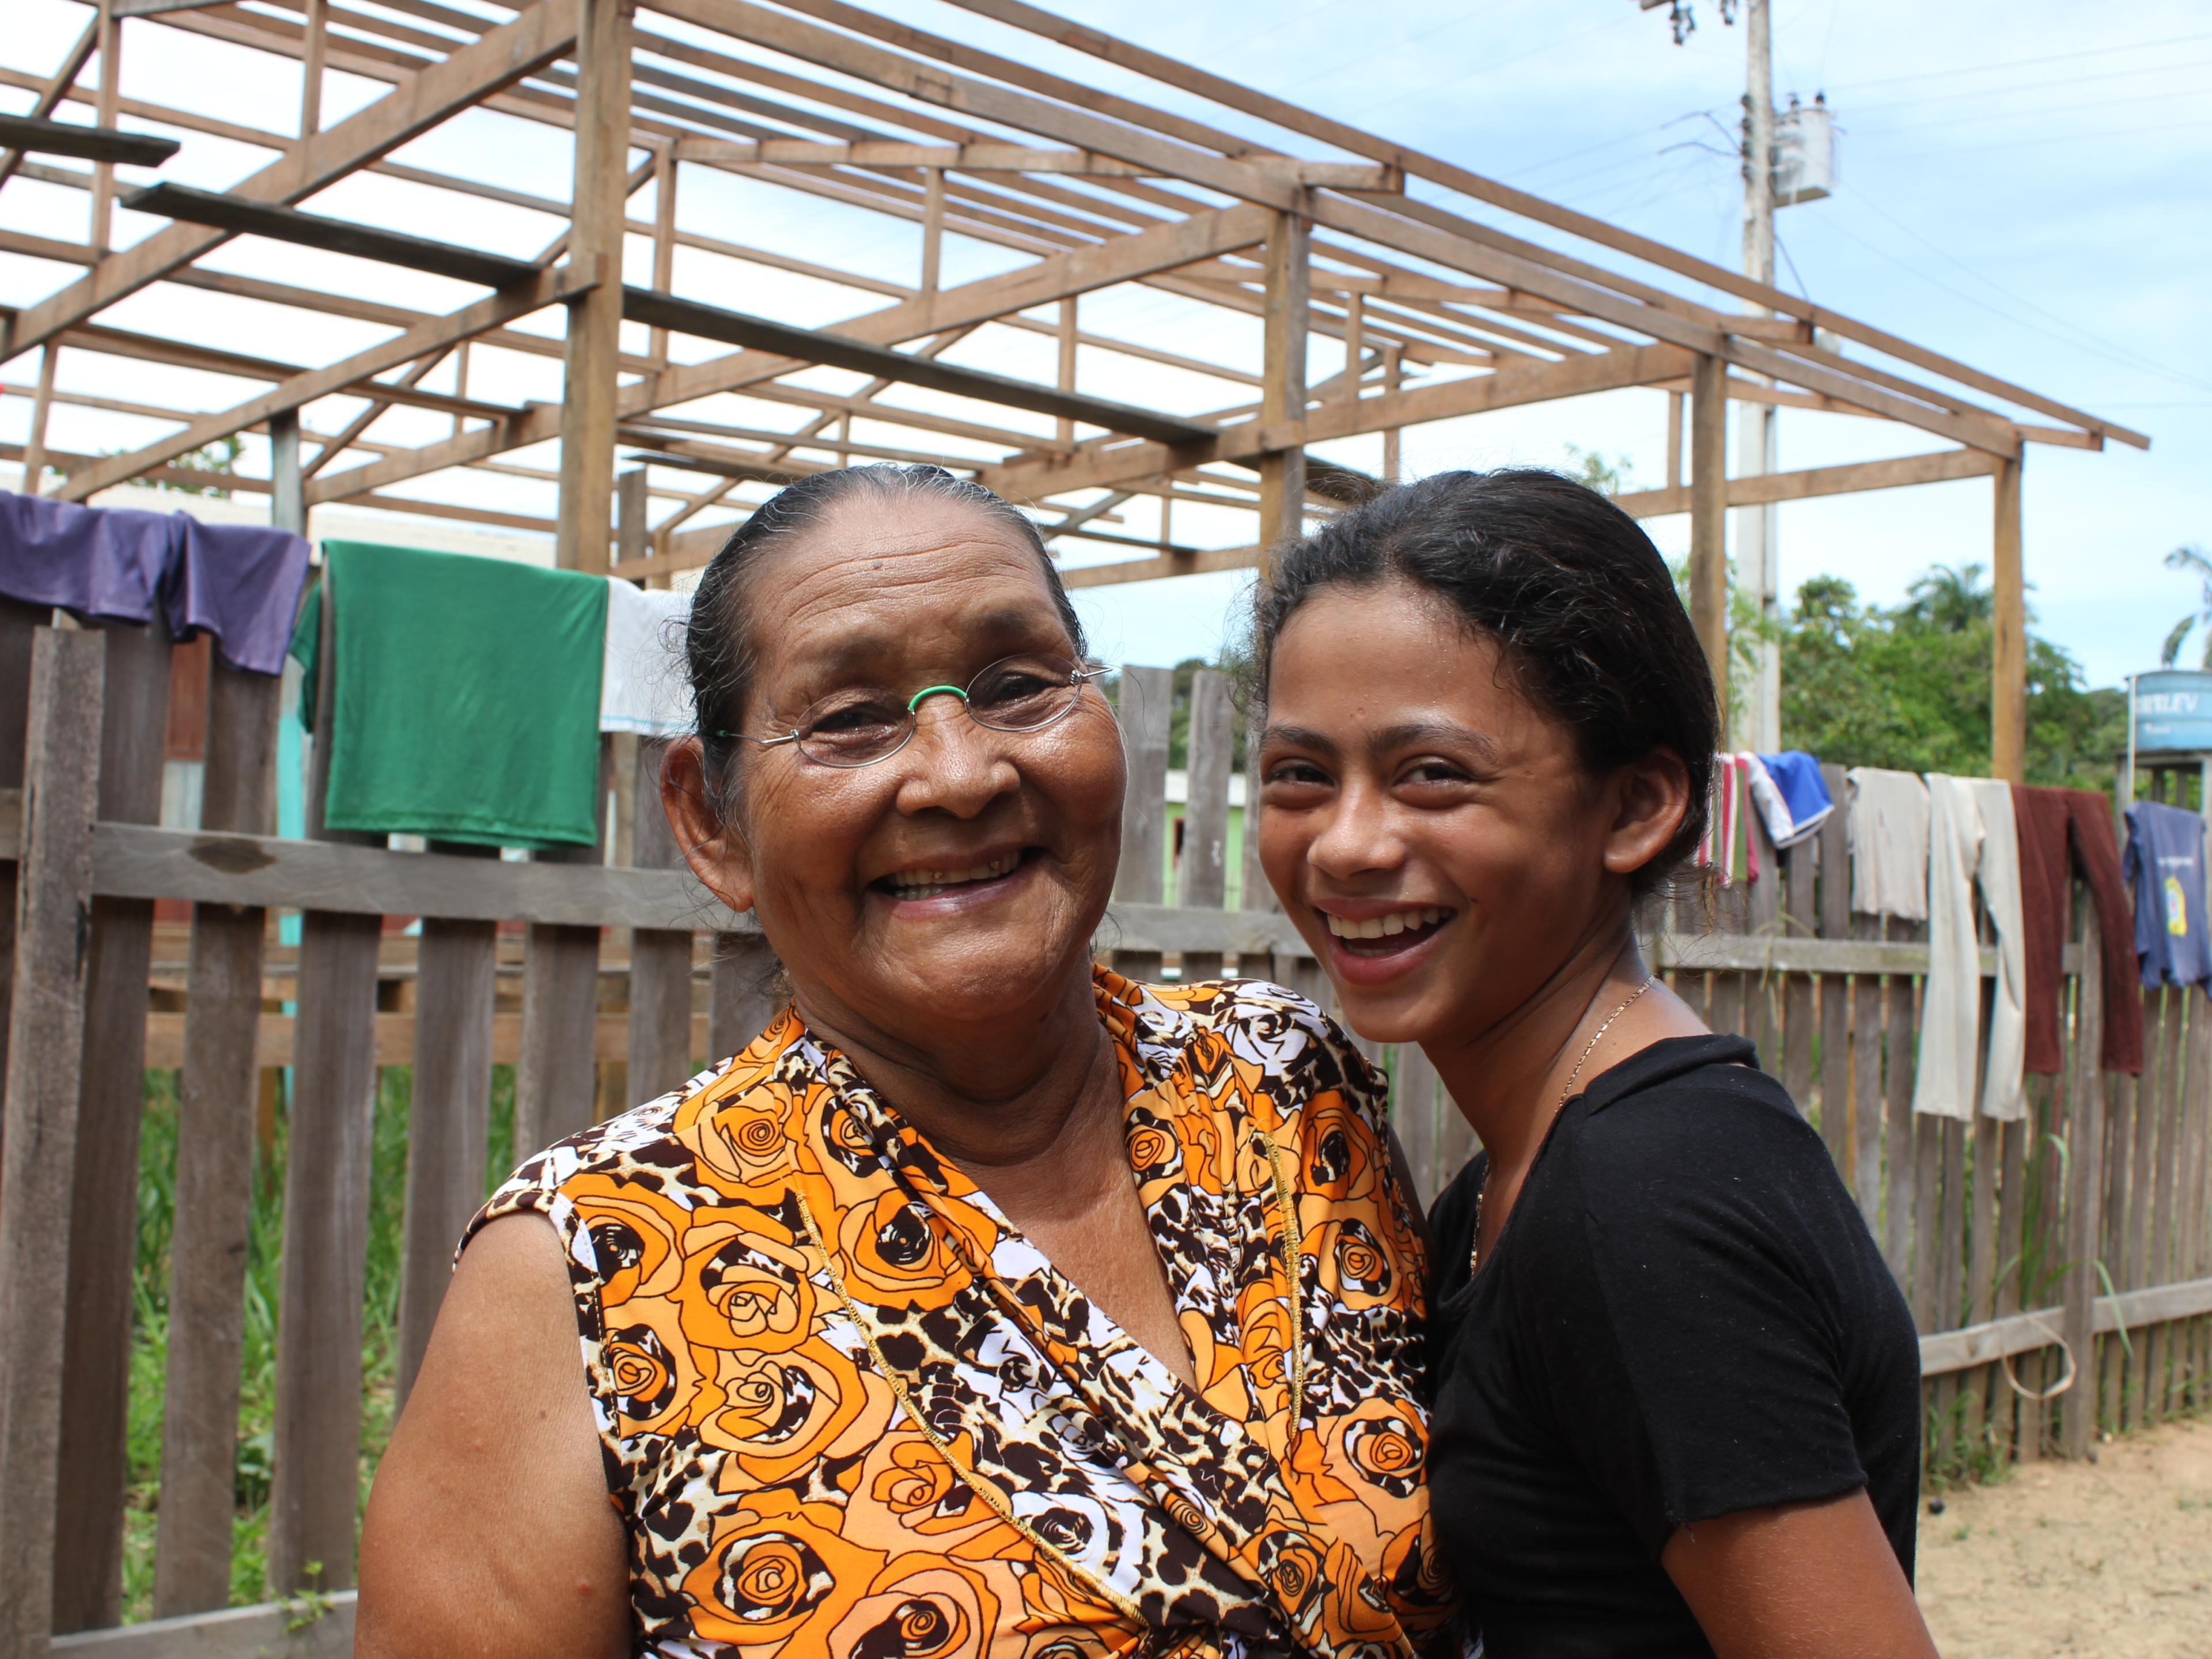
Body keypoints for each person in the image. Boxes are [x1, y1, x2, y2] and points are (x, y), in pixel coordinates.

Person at [357, 465, 1456, 1659]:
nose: (962, 772)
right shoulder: (592, 1264)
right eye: (850, 720)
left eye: (1021, 686)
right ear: (710, 823)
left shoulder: (1285, 1083)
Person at [1247, 468, 1931, 1659]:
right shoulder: (1511, 1184)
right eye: (1302, 775)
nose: (1347, 844)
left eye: (1433, 775)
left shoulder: (1648, 1196)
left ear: (1638, 806)